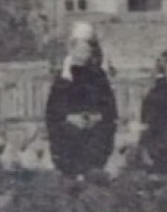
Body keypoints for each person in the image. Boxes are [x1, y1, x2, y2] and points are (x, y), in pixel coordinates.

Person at [45, 24, 119, 190]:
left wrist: (97, 117)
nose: (83, 54)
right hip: (70, 127)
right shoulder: (64, 76)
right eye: (79, 49)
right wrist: (70, 117)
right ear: (72, 50)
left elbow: (108, 106)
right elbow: (54, 108)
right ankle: (71, 178)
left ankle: (93, 177)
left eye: (87, 50)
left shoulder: (97, 75)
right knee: (68, 134)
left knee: (98, 138)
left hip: (95, 126)